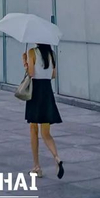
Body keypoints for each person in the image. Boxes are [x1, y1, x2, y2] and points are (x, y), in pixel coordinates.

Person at [23, 43, 64, 179]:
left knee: (33, 130)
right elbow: (53, 75)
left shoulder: (32, 52)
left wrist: (25, 63)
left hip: (35, 92)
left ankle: (37, 167)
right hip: (47, 92)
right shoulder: (52, 54)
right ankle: (56, 157)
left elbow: (31, 73)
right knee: (46, 133)